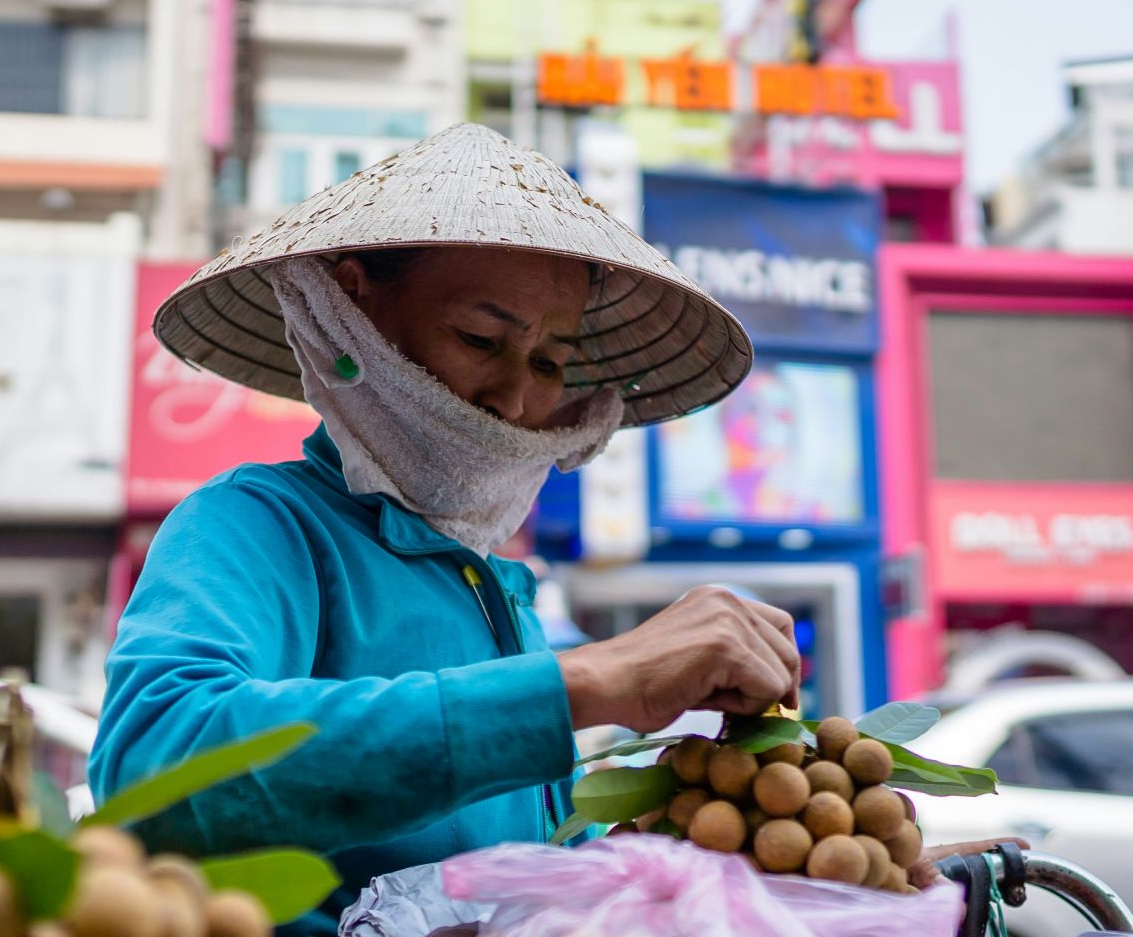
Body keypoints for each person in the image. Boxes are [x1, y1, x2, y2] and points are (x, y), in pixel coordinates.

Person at [92, 124, 1009, 933]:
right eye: (482, 341)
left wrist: (686, 842)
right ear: (355, 305)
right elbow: (151, 772)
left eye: (548, 360)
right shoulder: (256, 525)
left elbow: (514, 876)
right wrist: (592, 680)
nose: (515, 396)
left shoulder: (496, 590)